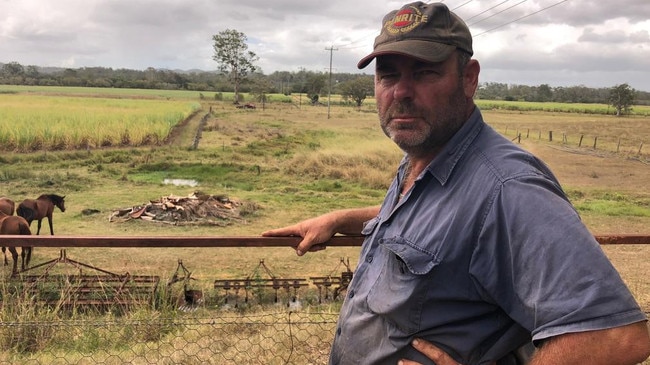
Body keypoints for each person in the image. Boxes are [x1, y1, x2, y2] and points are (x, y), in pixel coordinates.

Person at [263, 2, 650, 364]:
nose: (400, 92)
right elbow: (440, 220)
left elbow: (617, 336)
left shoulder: (509, 188)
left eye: (424, 72)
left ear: (469, 78)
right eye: (388, 75)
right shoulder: (427, 155)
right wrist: (341, 219)